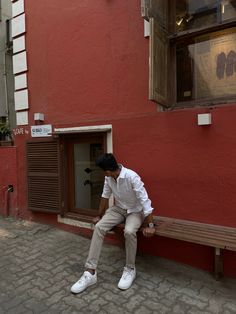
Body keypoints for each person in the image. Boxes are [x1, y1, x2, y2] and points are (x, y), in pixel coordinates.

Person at [71, 153, 155, 294]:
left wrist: (150, 225)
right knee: (99, 227)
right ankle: (90, 272)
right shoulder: (109, 178)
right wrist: (99, 215)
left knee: (129, 231)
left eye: (103, 171)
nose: (103, 174)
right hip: (118, 209)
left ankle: (130, 269)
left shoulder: (132, 176)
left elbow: (145, 201)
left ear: (108, 170)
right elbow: (105, 196)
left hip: (135, 211)